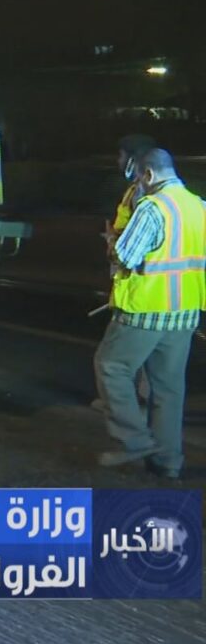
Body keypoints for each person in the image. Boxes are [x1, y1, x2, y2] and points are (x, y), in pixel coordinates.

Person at [94, 147, 202, 479]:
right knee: (169, 389)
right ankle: (168, 461)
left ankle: (134, 440)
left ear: (149, 174)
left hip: (145, 310)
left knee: (111, 367)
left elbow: (125, 256)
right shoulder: (198, 206)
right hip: (185, 310)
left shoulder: (153, 207)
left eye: (140, 178)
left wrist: (112, 242)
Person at [95, 134, 159, 411]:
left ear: (133, 159)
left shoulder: (145, 194)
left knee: (118, 357)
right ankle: (142, 398)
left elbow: (135, 245)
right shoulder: (137, 190)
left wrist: (114, 242)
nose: (118, 161)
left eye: (121, 156)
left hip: (138, 286)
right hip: (139, 284)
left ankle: (129, 404)